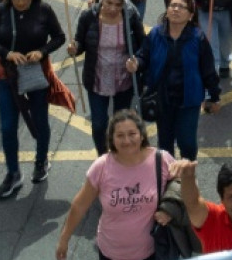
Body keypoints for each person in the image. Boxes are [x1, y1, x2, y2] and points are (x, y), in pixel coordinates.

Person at [0, 0, 65, 198]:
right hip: (9, 75)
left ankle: (41, 161)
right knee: (7, 127)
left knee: (40, 121)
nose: (20, 2)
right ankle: (13, 173)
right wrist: (7, 53)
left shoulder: (44, 10)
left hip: (36, 74)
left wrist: (42, 51)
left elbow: (59, 37)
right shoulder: (0, 10)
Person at [56, 110, 175, 260]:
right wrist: (64, 238)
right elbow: (79, 205)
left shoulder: (162, 160)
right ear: (112, 139)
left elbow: (185, 188)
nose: (126, 141)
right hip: (110, 253)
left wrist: (171, 211)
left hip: (152, 252)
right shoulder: (101, 166)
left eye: (132, 134)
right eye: (120, 135)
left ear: (142, 135)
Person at [127, 0, 221, 158]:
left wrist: (214, 96)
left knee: (187, 142)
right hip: (161, 98)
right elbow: (143, 56)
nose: (176, 9)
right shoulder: (156, 34)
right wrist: (136, 64)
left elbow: (208, 70)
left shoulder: (197, 38)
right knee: (165, 144)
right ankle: (168, 177)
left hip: (189, 99)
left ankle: (188, 174)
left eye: (181, 7)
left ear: (191, 15)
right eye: (172, 5)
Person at [67, 0, 147, 156]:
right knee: (98, 124)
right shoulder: (88, 16)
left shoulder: (131, 16)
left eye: (118, 5)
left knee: (121, 124)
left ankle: (120, 155)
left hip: (124, 80)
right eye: (109, 3)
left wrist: (137, 62)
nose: (112, 8)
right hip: (97, 78)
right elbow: (80, 42)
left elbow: (144, 47)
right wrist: (75, 48)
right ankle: (102, 156)